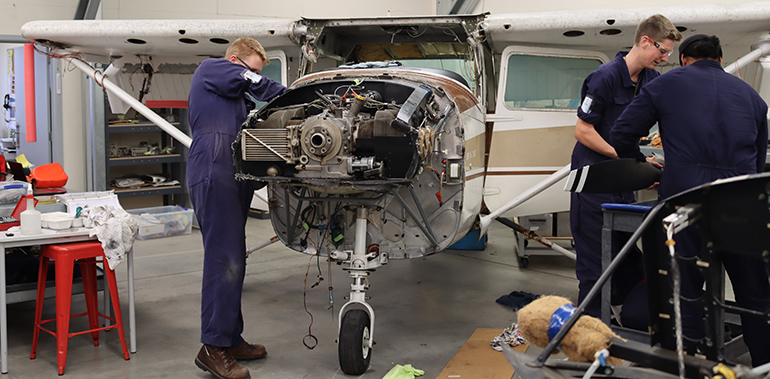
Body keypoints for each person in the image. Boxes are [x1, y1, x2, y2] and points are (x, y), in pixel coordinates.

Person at [610, 34, 769, 366]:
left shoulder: (666, 85)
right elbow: (757, 161)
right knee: (754, 293)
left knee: (687, 289)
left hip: (686, 200)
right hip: (740, 202)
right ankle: (764, 364)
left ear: (683, 59)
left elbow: (622, 133)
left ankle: (694, 366)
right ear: (720, 60)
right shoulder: (753, 98)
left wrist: (647, 168)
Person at [188, 37, 289, 379]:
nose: (255, 75)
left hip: (232, 177)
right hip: (213, 171)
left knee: (234, 258)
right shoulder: (212, 69)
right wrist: (289, 94)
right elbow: (254, 83)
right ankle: (212, 348)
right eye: (252, 68)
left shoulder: (235, 102)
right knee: (224, 259)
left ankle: (229, 338)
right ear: (235, 60)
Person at [570, 14, 682, 318]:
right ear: (645, 41)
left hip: (621, 186)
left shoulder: (651, 80)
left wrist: (641, 168)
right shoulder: (605, 77)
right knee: (594, 267)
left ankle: (635, 322)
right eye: (662, 50)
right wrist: (625, 159)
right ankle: (589, 337)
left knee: (627, 261)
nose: (664, 57)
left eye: (669, 53)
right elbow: (583, 131)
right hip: (593, 184)